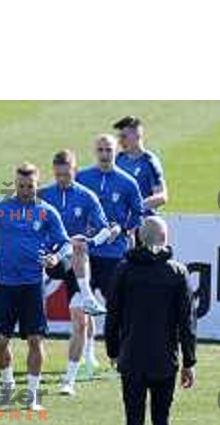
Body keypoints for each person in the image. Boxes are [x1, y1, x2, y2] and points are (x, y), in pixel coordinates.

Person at [105, 216, 197, 425]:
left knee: (133, 421)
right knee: (161, 419)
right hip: (164, 360)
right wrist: (189, 361)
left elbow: (113, 316)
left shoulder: (124, 270)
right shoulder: (177, 272)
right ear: (165, 239)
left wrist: (112, 351)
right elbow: (187, 322)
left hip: (131, 358)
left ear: (138, 238)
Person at [0, 162, 71, 410]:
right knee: (0, 342)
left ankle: (31, 394)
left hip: (32, 285)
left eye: (30, 186)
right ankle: (7, 385)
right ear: (14, 183)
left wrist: (55, 258)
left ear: (37, 184)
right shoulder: (1, 208)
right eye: (21, 185)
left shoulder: (47, 212)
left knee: (35, 341)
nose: (25, 190)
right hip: (5, 285)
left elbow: (66, 244)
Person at [38, 149, 111, 396]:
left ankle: (69, 380)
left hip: (75, 260)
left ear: (74, 170)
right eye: (58, 175)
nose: (62, 179)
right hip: (51, 260)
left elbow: (104, 228)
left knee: (79, 321)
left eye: (66, 174)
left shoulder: (87, 196)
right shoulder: (43, 195)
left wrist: (91, 241)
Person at [76, 134, 144, 374]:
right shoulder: (82, 177)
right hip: (86, 253)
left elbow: (138, 213)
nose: (105, 155)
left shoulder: (127, 182)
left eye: (109, 150)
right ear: (95, 152)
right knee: (84, 306)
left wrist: (122, 228)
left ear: (117, 152)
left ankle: (120, 354)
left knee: (118, 308)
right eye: (101, 150)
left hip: (115, 254)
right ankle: (88, 354)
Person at [113, 115, 168, 215]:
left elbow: (162, 196)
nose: (120, 141)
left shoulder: (149, 161)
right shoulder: (118, 160)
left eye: (124, 136)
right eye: (119, 137)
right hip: (121, 223)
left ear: (137, 135)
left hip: (143, 222)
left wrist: (137, 207)